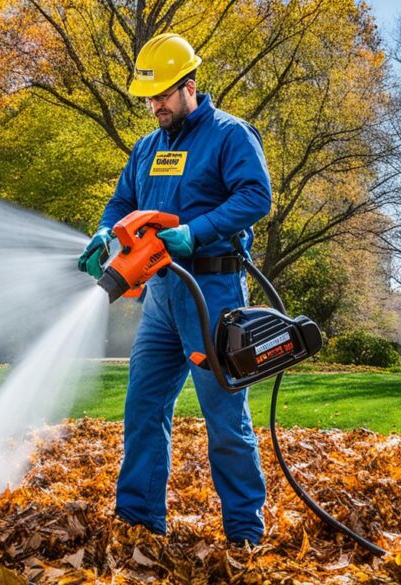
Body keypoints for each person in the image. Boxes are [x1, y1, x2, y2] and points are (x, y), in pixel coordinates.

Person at [77, 33, 272, 545]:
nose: (154, 105)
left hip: (213, 292)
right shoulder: (146, 148)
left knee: (226, 418)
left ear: (189, 85)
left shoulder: (230, 136)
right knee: (143, 409)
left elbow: (257, 195)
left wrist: (196, 231)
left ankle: (245, 534)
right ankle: (140, 522)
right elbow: (121, 203)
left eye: (163, 95)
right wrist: (105, 231)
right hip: (162, 296)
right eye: (148, 97)